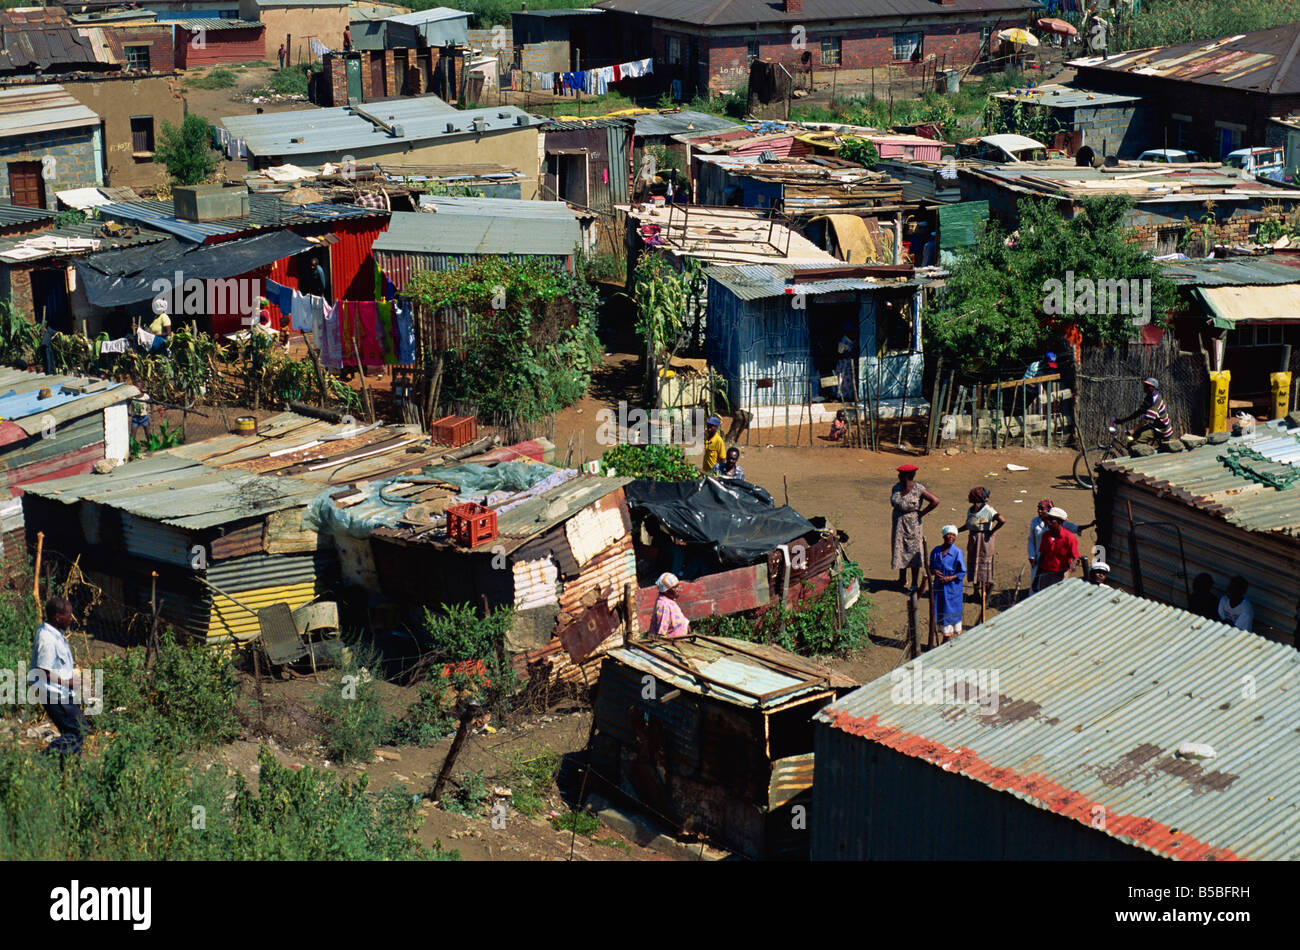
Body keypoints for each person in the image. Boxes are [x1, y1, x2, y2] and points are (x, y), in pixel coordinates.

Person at [28, 597, 91, 759]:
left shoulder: (55, 633)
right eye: (68, 615)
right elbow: (43, 670)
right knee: (77, 730)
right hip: (52, 693)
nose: (71, 618)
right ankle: (40, 762)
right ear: (58, 617)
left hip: (60, 692)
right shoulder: (47, 639)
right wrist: (67, 682)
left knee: (75, 730)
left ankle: (66, 770)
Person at [891, 464, 939, 590]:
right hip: (898, 524)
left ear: (907, 476)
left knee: (913, 551)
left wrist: (922, 513)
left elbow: (935, 501)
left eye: (900, 474)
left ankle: (914, 582)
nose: (898, 476)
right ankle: (902, 579)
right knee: (900, 549)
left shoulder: (919, 489)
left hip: (912, 525)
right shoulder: (896, 488)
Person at [958, 486, 1005, 604]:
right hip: (973, 540)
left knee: (984, 566)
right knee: (974, 566)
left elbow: (1002, 520)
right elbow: (968, 524)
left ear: (977, 497)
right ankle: (975, 593)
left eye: (971, 495)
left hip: (984, 541)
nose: (968, 497)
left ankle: (985, 596)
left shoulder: (988, 510)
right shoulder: (970, 509)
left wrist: (992, 531)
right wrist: (956, 530)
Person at [1027, 498, 1079, 587]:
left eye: (1052, 520)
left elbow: (1075, 557)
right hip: (1045, 573)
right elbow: (1042, 556)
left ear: (1059, 522)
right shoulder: (1046, 535)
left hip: (1061, 573)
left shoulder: (1069, 538)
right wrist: (1036, 578)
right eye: (1048, 519)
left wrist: (1072, 566)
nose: (1049, 522)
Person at [1115, 377, 1174, 449]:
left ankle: (1144, 457)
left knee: (1135, 441)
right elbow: (1139, 412)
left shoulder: (1155, 399)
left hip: (1161, 429)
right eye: (1145, 385)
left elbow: (1147, 419)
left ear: (1152, 387)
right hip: (1154, 426)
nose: (1144, 387)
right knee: (1131, 439)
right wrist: (1122, 420)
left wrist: (1133, 430)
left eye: (1147, 385)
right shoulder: (1148, 398)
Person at [929, 525, 966, 640]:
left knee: (951, 615)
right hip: (939, 589)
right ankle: (945, 640)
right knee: (939, 611)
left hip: (953, 590)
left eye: (953, 535)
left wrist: (950, 578)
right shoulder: (936, 551)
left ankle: (947, 641)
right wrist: (934, 571)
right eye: (948, 534)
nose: (951, 537)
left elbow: (962, 572)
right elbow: (930, 567)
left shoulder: (957, 552)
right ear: (943, 536)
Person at [649, 572, 689, 639]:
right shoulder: (664, 606)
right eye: (674, 588)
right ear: (666, 591)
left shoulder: (669, 600)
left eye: (678, 586)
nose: (678, 590)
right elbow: (662, 634)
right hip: (674, 644)